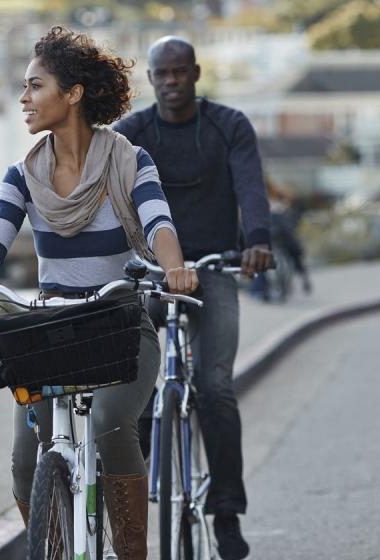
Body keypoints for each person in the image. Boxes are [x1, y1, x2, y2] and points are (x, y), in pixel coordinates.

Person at [0, 26, 198, 560]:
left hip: (120, 322)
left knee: (111, 422)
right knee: (26, 462)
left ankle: (130, 554)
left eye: (35, 86)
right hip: (53, 328)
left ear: (72, 94)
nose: (24, 99)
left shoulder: (128, 160)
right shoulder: (24, 175)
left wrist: (175, 269)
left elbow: (158, 222)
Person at [114, 36, 273, 560]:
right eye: (161, 73)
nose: (171, 82)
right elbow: (107, 194)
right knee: (129, 384)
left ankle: (225, 511)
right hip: (154, 273)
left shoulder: (229, 126)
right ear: (152, 78)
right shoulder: (132, 134)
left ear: (196, 74)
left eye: (180, 72)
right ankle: (131, 496)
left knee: (215, 387)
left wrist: (256, 241)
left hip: (214, 268)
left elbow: (250, 186)